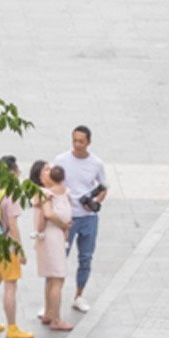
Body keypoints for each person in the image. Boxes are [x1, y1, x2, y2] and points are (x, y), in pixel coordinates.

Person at [52, 125, 109, 309]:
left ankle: (79, 295)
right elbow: (52, 183)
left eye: (81, 141)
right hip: (67, 217)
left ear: (89, 143)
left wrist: (96, 202)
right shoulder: (61, 160)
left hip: (88, 217)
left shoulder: (96, 163)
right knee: (58, 258)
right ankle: (51, 299)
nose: (77, 145)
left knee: (86, 257)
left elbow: (104, 186)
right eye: (75, 140)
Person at [0, 157, 32, 338]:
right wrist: (20, 251)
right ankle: (12, 328)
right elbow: (13, 225)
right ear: (12, 171)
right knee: (10, 285)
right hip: (7, 247)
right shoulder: (11, 194)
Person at [32, 160, 74, 330]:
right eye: (46, 170)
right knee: (57, 277)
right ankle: (56, 319)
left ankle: (49, 313)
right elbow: (48, 213)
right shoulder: (44, 193)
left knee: (52, 278)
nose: (50, 172)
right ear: (40, 177)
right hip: (52, 236)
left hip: (51, 236)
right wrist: (63, 225)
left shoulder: (49, 192)